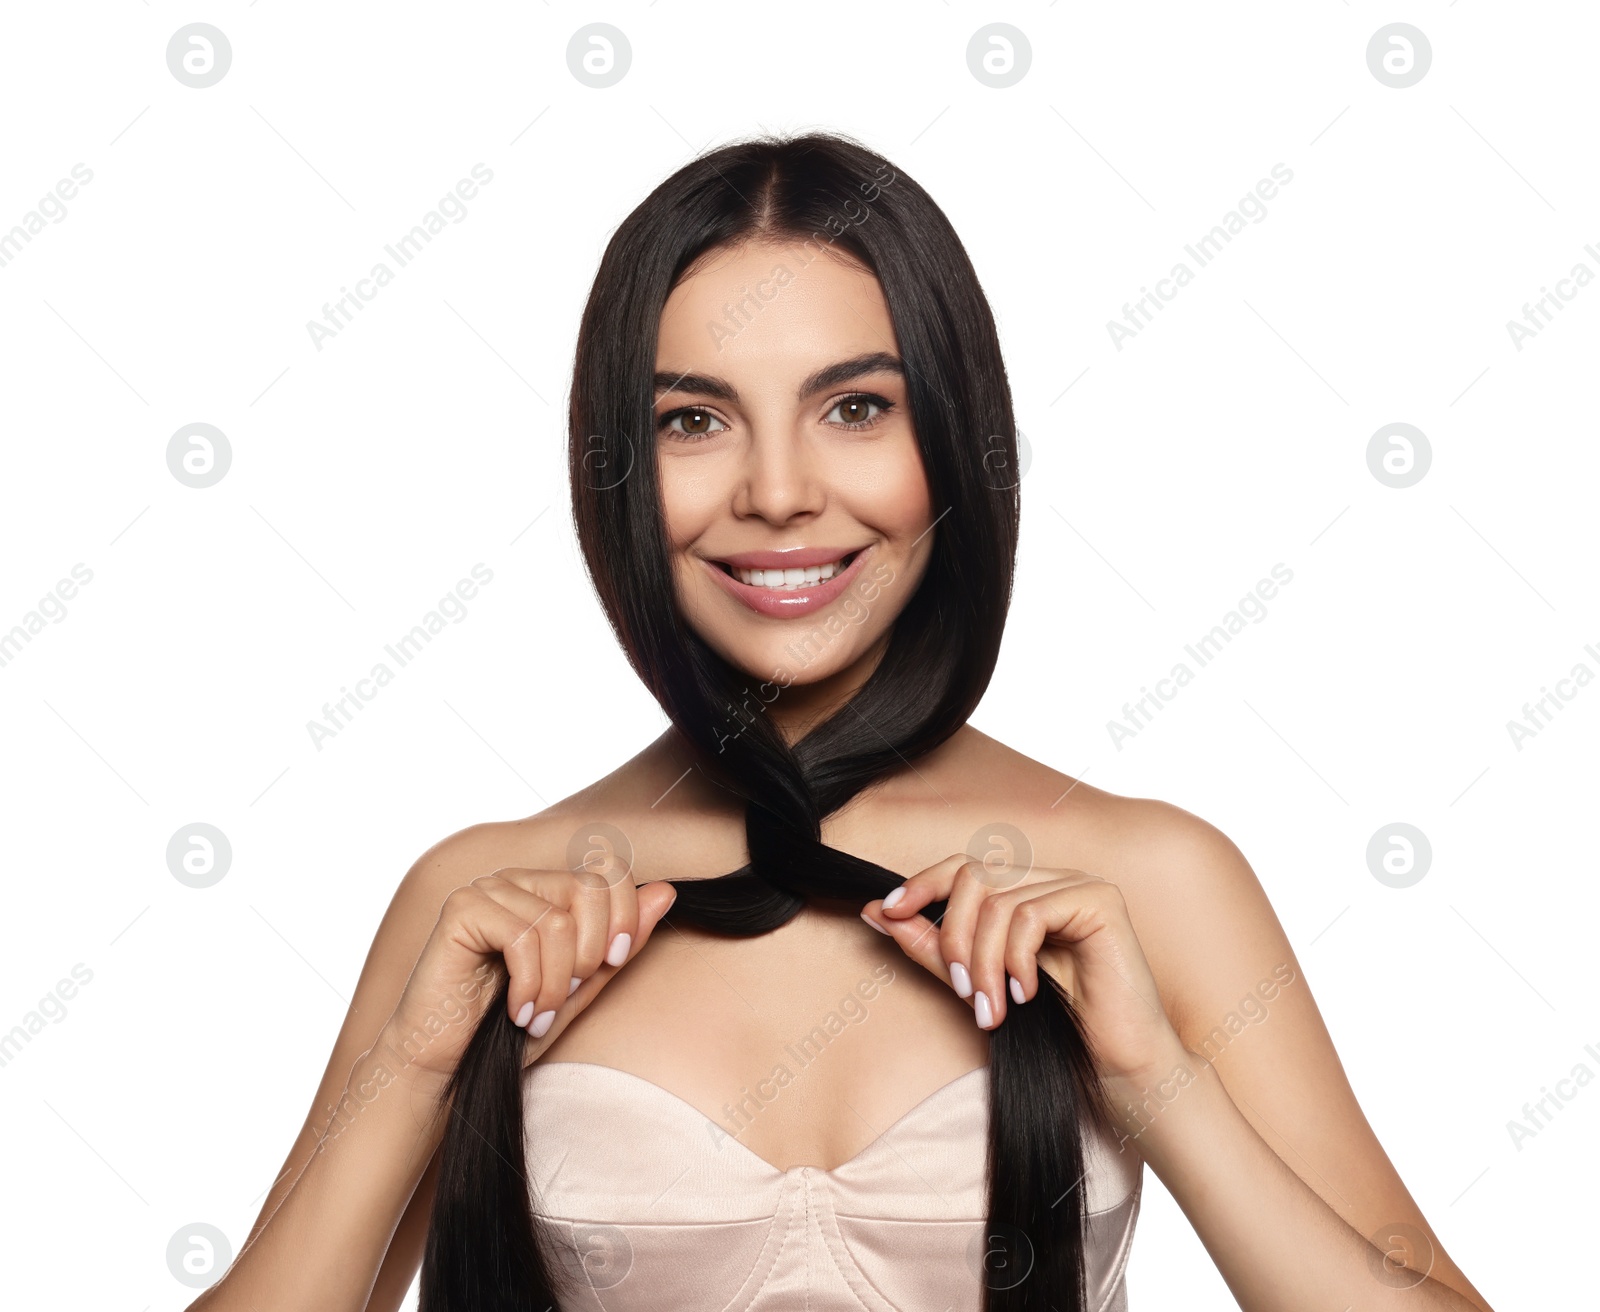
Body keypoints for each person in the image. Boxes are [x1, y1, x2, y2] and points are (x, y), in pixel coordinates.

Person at [190, 132, 1494, 1312]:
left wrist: (1159, 1082)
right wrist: (416, 1069)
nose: (776, 492)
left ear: (955, 439)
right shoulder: (482, 900)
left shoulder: (1148, 879)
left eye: (855, 408)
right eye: (694, 419)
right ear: (617, 466)